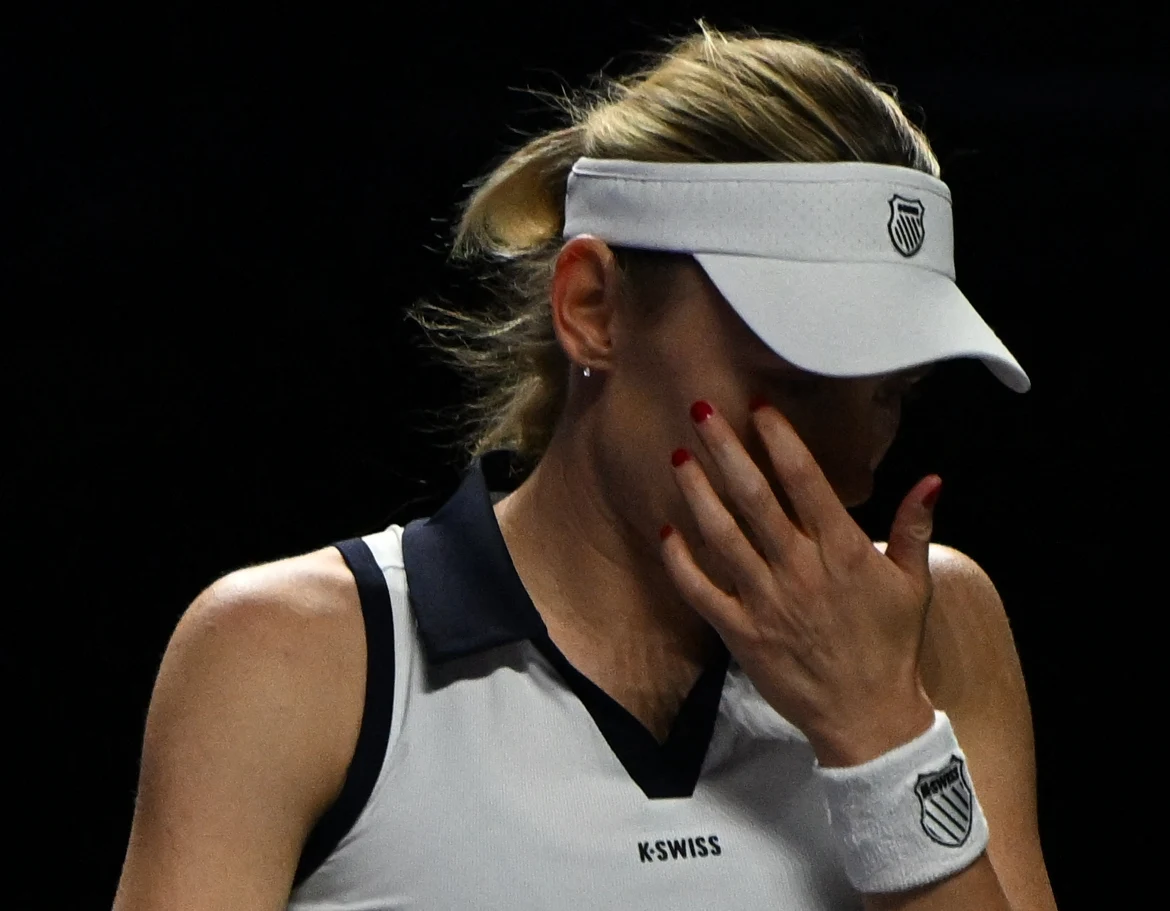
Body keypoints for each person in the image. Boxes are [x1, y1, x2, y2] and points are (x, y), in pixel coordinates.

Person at [113, 23, 1057, 911]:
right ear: (592, 306)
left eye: (892, 391)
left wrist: (883, 735)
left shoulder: (933, 628)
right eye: (797, 382)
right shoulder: (293, 657)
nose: (853, 473)